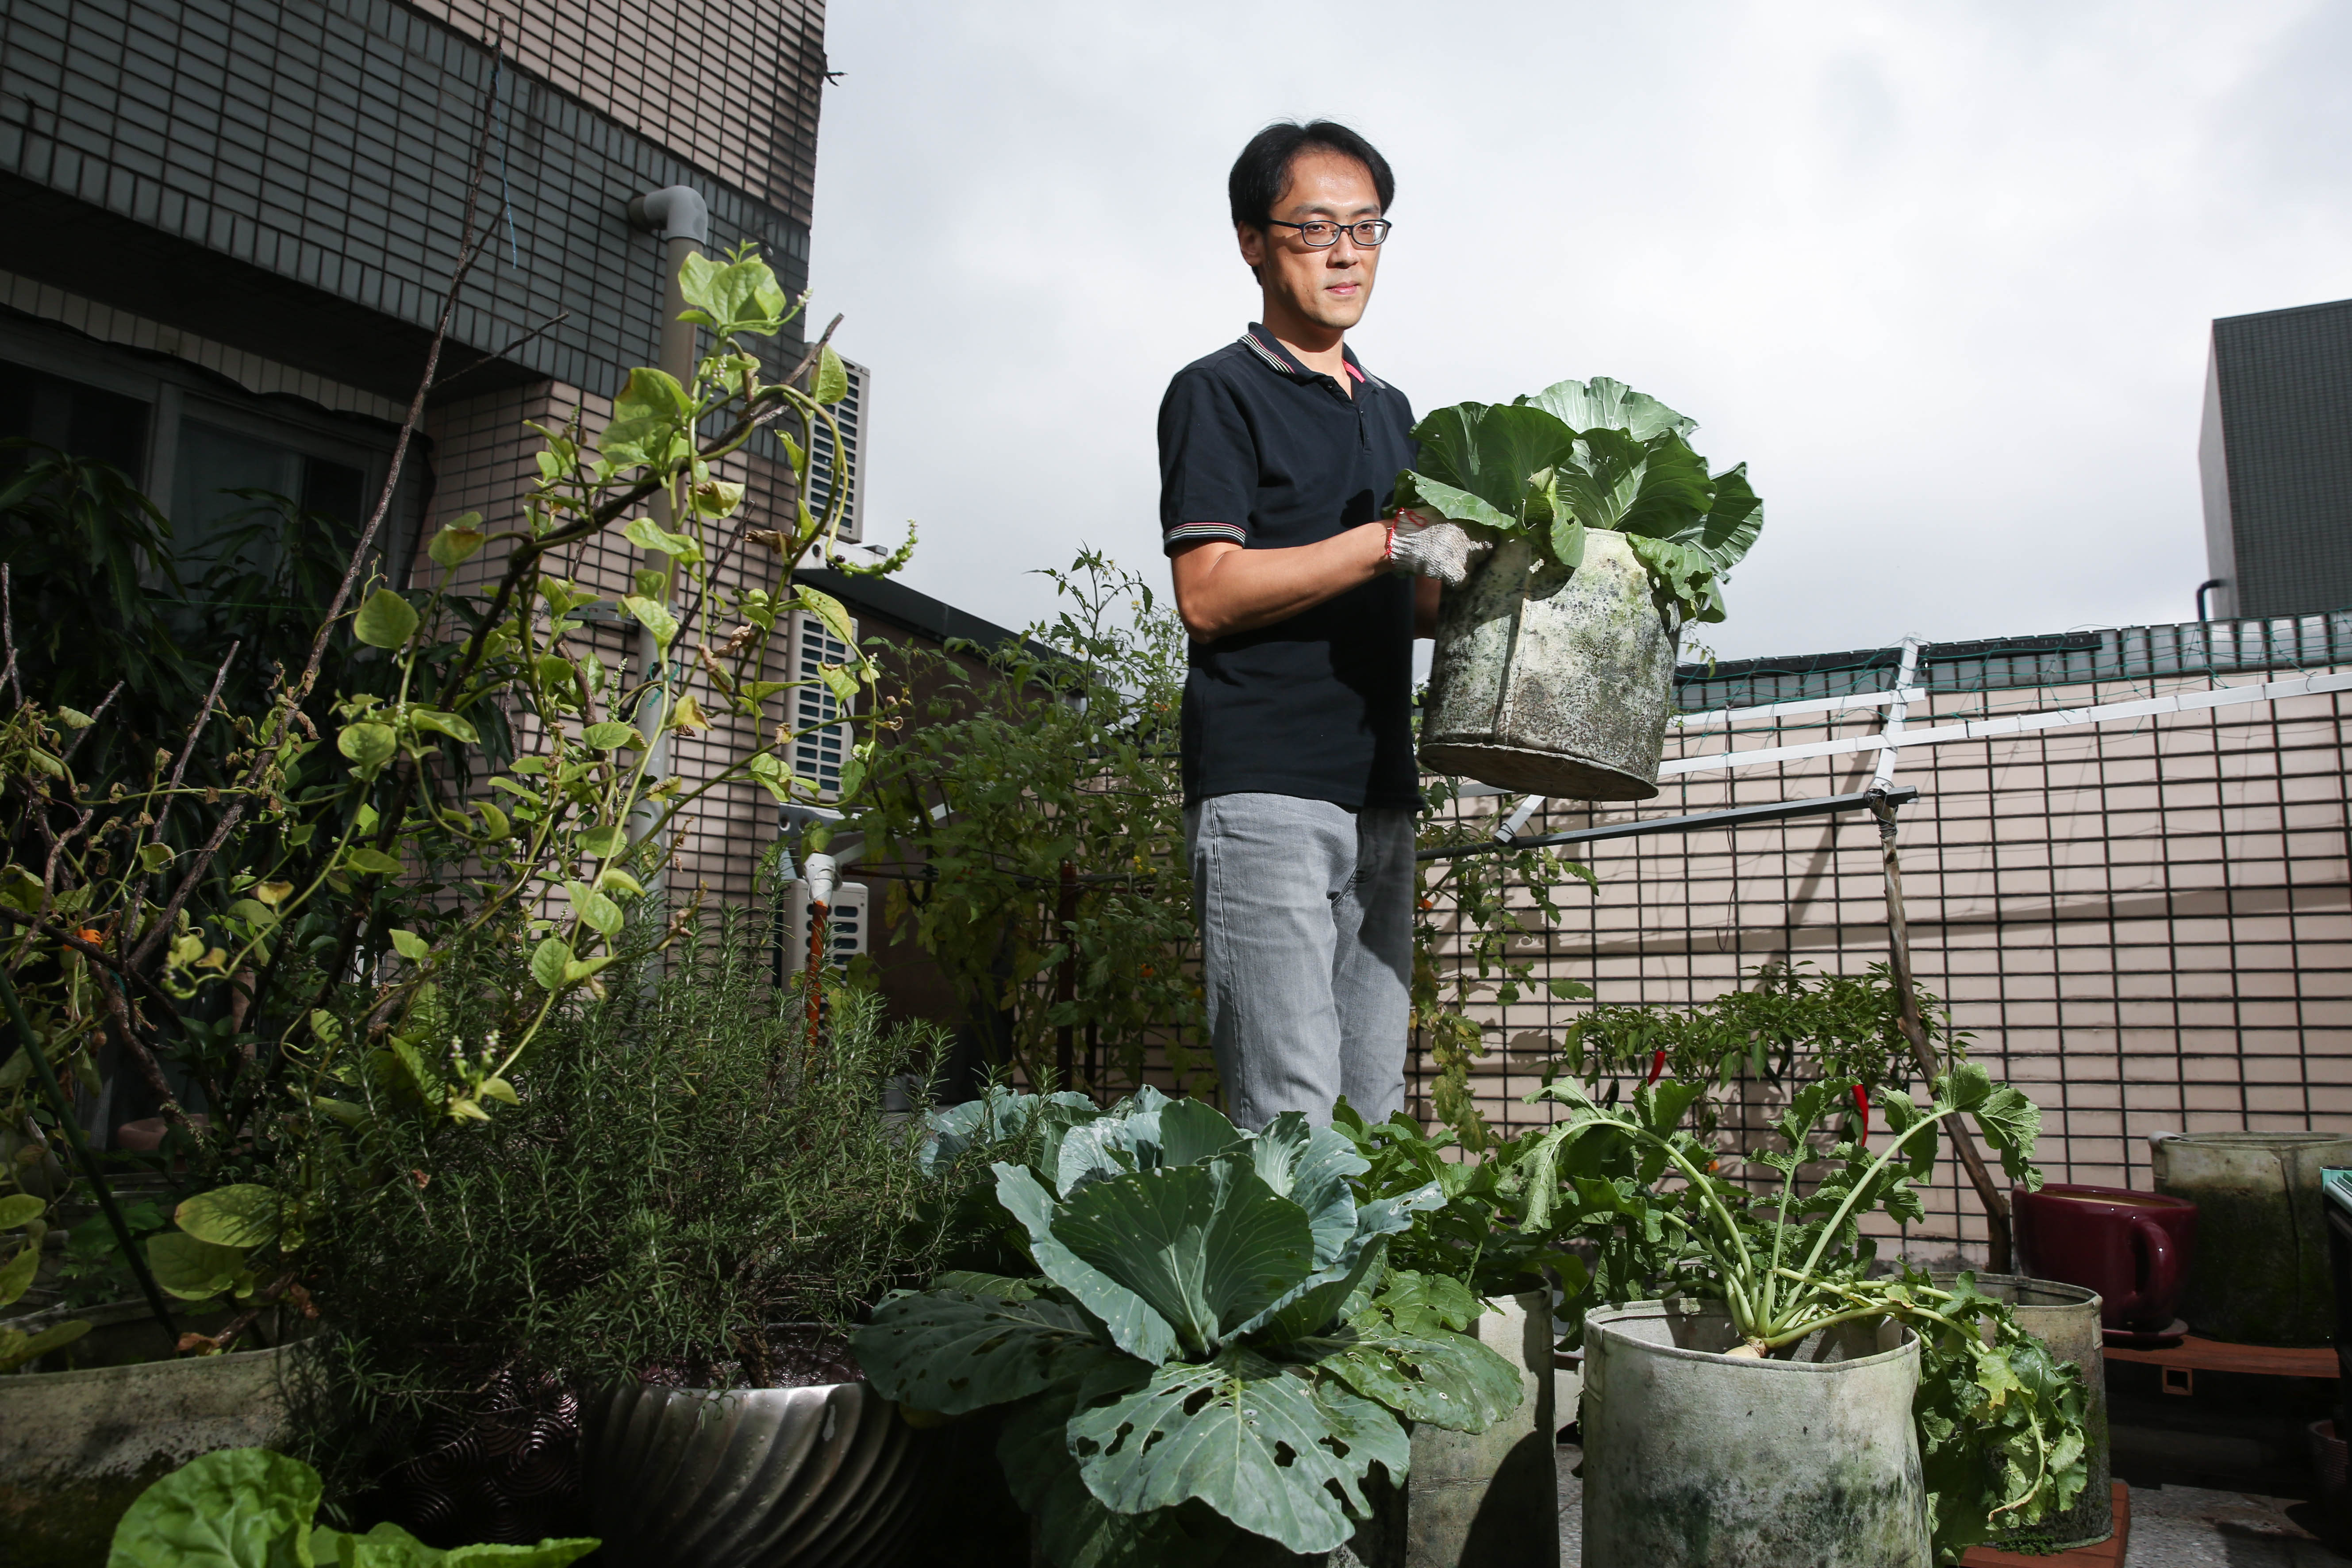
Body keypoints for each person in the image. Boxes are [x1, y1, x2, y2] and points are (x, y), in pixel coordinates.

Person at [1160, 120, 1482, 1130]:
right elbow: (1208, 591)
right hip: (1267, 793)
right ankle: (1281, 1297)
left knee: (1372, 1114)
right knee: (1290, 1110)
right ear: (1253, 241)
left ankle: (1354, 1297)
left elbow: (1410, 599)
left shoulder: (1392, 411)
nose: (1346, 253)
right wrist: (1387, 543)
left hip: (1382, 792)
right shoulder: (1218, 392)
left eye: (1366, 228)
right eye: (1314, 228)